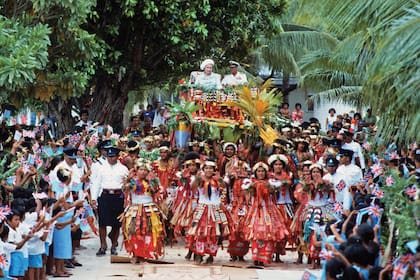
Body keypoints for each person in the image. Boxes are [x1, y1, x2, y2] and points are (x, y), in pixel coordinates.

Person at [186, 159, 234, 264]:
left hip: (215, 208)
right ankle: (199, 254)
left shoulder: (218, 180)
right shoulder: (199, 180)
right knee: (200, 231)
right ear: (203, 170)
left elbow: (224, 187)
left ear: (214, 170)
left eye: (211, 168)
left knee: (215, 233)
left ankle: (211, 255)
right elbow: (192, 187)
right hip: (202, 208)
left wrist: (219, 179)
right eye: (206, 168)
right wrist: (198, 178)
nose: (208, 170)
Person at [242, 162, 289, 266]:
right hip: (255, 211)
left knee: (268, 234)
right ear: (255, 172)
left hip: (268, 210)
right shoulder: (250, 183)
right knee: (255, 234)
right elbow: (247, 193)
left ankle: (264, 257)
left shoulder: (271, 182)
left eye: (263, 171)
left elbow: (273, 191)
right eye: (258, 171)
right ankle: (255, 257)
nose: (261, 173)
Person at [121, 159, 165, 262]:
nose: (143, 172)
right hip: (134, 210)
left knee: (149, 231)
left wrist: (153, 181)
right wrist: (128, 180)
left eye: (145, 170)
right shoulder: (132, 181)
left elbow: (156, 190)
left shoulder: (152, 181)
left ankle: (147, 252)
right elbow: (125, 189)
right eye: (141, 169)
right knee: (133, 231)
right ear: (136, 170)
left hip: (150, 209)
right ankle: (136, 253)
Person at [90, 146, 129, 256]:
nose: (111, 159)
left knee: (116, 224)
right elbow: (96, 183)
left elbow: (127, 185)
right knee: (102, 222)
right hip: (105, 196)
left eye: (113, 157)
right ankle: (103, 245)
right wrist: (93, 198)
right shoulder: (101, 168)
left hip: (118, 197)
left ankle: (113, 245)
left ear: (117, 157)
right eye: (109, 156)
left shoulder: (123, 169)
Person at [267, 154, 294, 263]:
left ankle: (278, 254)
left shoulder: (288, 176)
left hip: (286, 206)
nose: (278, 166)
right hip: (274, 206)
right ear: (272, 166)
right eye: (276, 164)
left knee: (285, 231)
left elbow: (289, 184)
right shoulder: (268, 177)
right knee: (273, 231)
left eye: (280, 164)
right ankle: (270, 252)